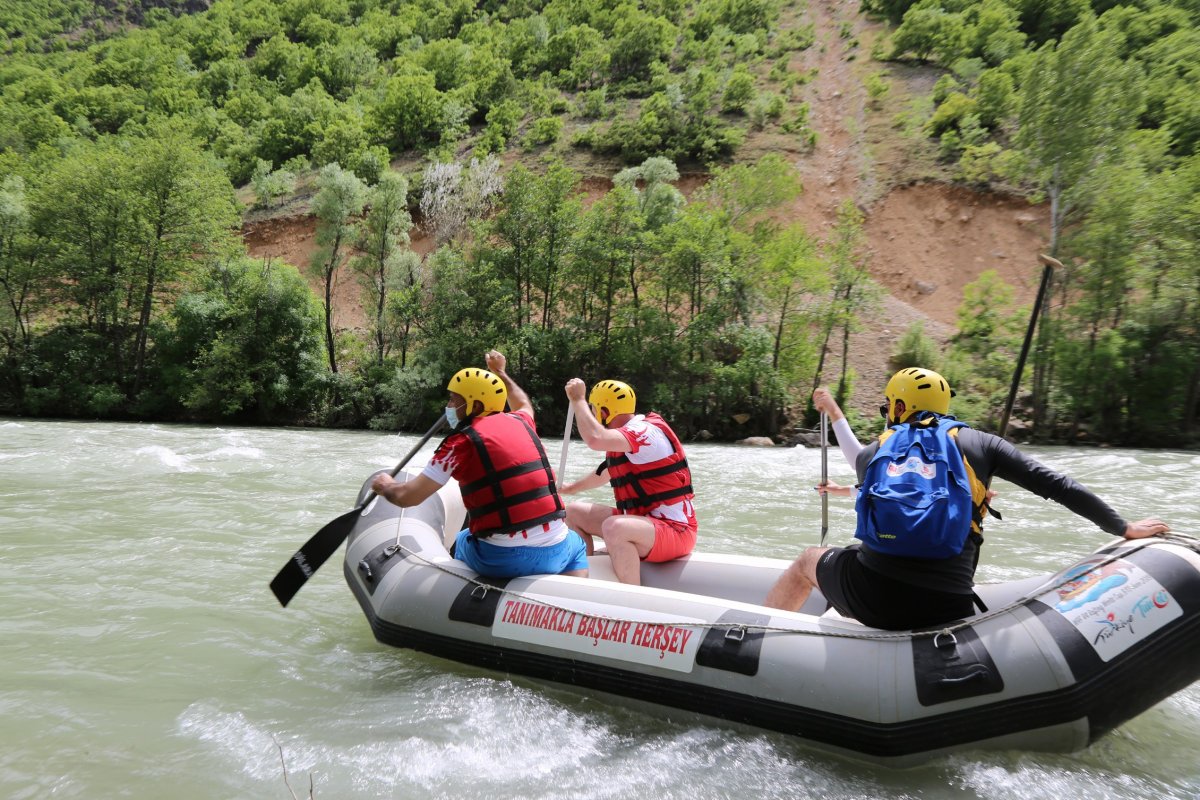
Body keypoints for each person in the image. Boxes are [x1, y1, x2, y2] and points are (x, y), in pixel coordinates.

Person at [765, 367, 1169, 630]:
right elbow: (1059, 486)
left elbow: (861, 464)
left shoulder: (876, 452)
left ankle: (759, 638)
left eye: (888, 405)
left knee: (807, 560)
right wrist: (1123, 527)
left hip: (874, 598)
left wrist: (835, 413)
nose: (887, 412)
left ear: (900, 407)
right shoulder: (983, 444)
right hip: (947, 604)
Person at [371, 350, 588, 579]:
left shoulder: (459, 444)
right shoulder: (522, 420)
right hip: (558, 550)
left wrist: (385, 485)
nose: (449, 405)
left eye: (454, 399)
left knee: (463, 538)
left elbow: (408, 497)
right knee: (577, 545)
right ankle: (573, 601)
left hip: (503, 559)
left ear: (474, 406)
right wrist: (500, 372)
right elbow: (522, 401)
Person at [559, 378, 697, 585]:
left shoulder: (643, 433)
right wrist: (569, 488)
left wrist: (578, 399)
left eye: (593, 409)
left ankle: (632, 597)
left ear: (603, 412)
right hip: (643, 524)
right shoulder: (624, 439)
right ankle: (585, 581)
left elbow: (594, 439)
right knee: (574, 512)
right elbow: (603, 474)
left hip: (676, 531)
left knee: (615, 526)